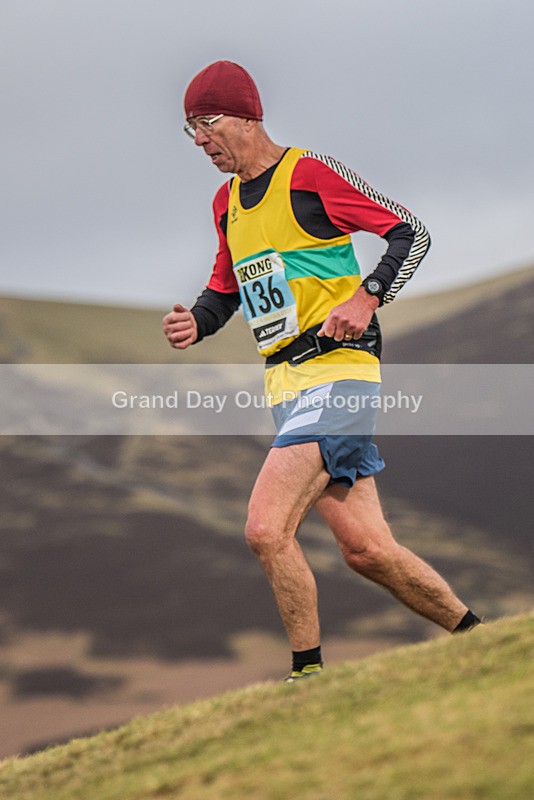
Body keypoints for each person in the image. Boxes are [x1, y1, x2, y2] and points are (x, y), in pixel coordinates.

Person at [163, 60, 481, 681]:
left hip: (339, 373)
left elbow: (410, 234)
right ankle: (483, 640)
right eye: (189, 129)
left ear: (248, 117)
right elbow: (224, 287)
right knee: (367, 550)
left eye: (207, 122)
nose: (199, 139)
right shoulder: (225, 202)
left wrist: (367, 298)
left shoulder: (308, 173)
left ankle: (307, 675)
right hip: (284, 385)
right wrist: (198, 321)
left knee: (263, 529)